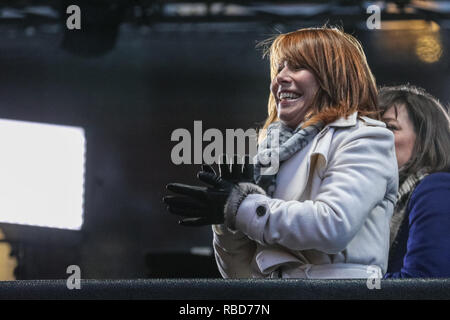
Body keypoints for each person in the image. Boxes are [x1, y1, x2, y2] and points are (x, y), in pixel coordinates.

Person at [164, 27, 398, 279]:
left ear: (335, 77)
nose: (280, 78)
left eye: (297, 67)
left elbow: (333, 225)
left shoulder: (365, 137)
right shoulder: (270, 153)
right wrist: (227, 221)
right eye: (279, 68)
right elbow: (238, 276)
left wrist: (242, 208)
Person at [379, 85, 450, 278]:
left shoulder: (436, 189)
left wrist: (352, 282)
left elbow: (424, 282)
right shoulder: (379, 195)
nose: (374, 136)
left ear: (424, 140)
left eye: (390, 127)